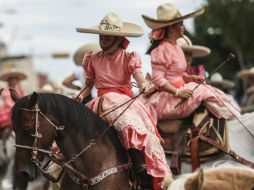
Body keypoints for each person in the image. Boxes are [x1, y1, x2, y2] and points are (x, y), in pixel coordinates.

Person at [75, 12, 173, 190]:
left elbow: (139, 77)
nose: (102, 40)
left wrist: (143, 85)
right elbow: (88, 85)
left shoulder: (129, 57)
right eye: (101, 36)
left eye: (106, 37)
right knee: (75, 128)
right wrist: (81, 96)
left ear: (118, 38)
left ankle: (140, 164)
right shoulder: (93, 58)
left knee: (136, 128)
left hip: (124, 101)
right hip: (101, 101)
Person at [142, 3, 240, 121]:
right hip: (168, 98)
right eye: (181, 24)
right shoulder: (160, 50)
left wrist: (192, 78)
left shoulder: (176, 47)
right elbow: (158, 79)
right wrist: (178, 92)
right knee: (204, 90)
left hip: (180, 91)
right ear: (172, 28)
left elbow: (177, 74)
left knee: (206, 89)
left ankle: (232, 120)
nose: (184, 27)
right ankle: (232, 119)